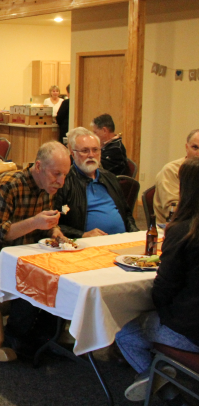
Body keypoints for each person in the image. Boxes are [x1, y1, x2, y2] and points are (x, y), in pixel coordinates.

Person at [116, 157, 199, 404]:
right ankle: (158, 377)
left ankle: (166, 391)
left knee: (122, 327)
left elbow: (164, 288)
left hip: (190, 332)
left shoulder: (184, 231)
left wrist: (153, 308)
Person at [0, 141, 71, 355]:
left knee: (66, 276)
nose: (61, 182)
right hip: (4, 259)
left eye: (65, 175)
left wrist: (55, 232)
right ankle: (19, 336)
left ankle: (47, 337)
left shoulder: (48, 186)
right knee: (36, 280)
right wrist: (34, 223)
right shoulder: (8, 185)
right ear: (39, 167)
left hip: (35, 256)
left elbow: (46, 223)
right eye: (56, 174)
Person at [53, 127, 138, 238]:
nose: (91, 155)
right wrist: (83, 235)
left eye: (95, 150)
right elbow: (54, 225)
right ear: (73, 154)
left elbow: (126, 214)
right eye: (85, 151)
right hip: (87, 245)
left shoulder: (110, 178)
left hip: (121, 241)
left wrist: (136, 234)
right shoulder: (64, 182)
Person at [154, 129, 199, 223]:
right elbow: (173, 211)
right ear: (186, 147)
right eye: (195, 147)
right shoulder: (171, 171)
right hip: (175, 228)